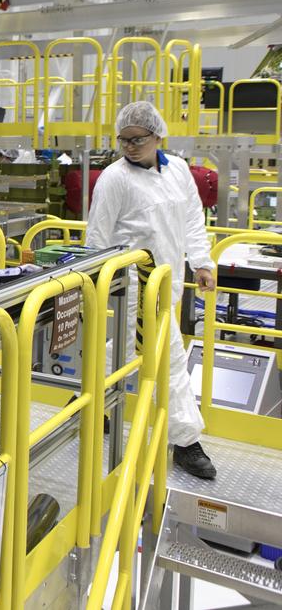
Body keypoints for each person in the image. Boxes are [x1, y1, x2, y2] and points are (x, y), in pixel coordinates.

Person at [85, 100, 218, 480]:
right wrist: (90, 286)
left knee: (123, 352)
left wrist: (202, 261)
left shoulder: (177, 170)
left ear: (158, 136)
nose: (130, 147)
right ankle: (186, 442)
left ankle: (91, 403)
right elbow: (97, 236)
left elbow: (191, 219)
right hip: (133, 286)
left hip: (167, 283)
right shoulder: (114, 178)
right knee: (169, 360)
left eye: (138, 139)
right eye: (123, 140)